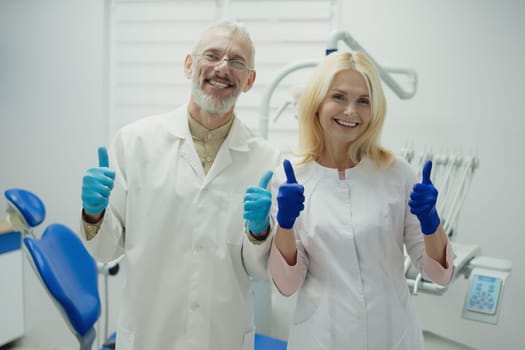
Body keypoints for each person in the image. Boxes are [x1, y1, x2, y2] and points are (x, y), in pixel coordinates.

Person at [79, 19, 281, 350]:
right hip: (149, 333)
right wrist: (93, 213)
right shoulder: (135, 142)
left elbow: (258, 269)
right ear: (189, 65)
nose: (222, 68)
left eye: (237, 62)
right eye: (211, 56)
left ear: (250, 80)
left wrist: (259, 232)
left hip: (223, 336)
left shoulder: (264, 159)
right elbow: (105, 250)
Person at [261, 51, 455, 349]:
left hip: (392, 334)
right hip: (322, 336)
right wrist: (285, 225)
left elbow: (440, 274)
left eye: (363, 101)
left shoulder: (397, 173)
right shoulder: (289, 179)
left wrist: (431, 223)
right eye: (338, 97)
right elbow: (287, 285)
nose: (351, 111)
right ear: (317, 103)